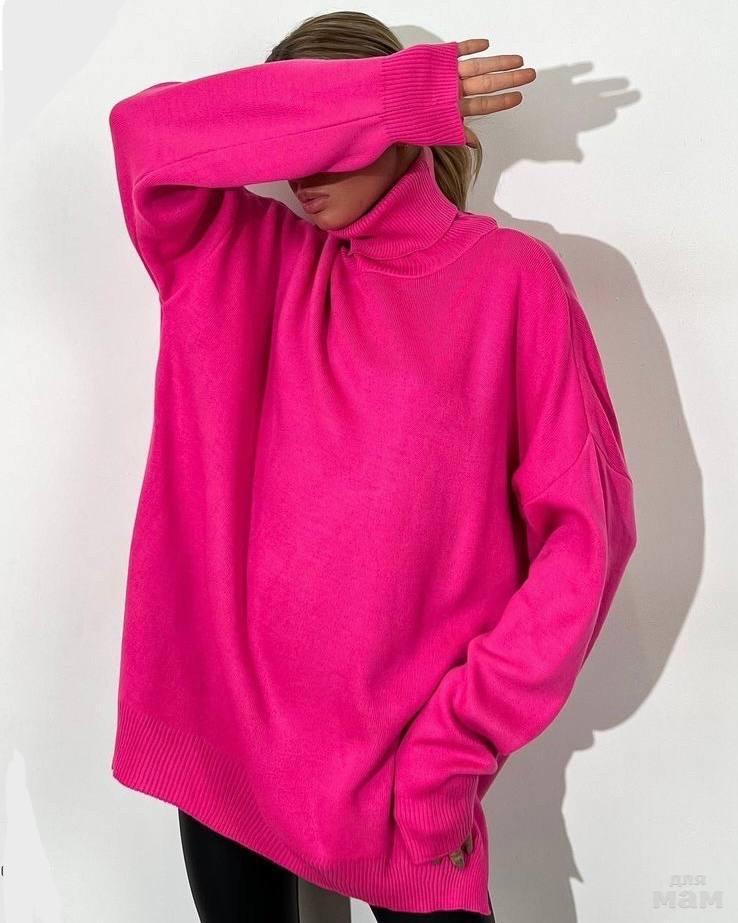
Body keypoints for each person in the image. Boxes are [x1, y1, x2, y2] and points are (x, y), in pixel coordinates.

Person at [107, 11, 637, 923]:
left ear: (404, 132)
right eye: (294, 132)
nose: (303, 169)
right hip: (227, 747)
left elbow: (587, 542)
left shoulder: (511, 280)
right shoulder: (237, 258)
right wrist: (384, 98)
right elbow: (143, 134)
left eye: (337, 132)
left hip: (407, 778)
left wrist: (454, 750)